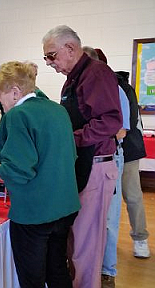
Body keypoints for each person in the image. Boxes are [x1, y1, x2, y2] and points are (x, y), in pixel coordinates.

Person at [0, 61, 80, 288]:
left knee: (32, 279)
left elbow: (17, 173)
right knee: (57, 270)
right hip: (65, 206)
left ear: (15, 91)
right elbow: (63, 154)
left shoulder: (18, 115)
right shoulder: (57, 109)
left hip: (35, 212)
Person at [42, 25, 122, 288]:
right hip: (82, 165)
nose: (49, 63)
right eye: (46, 58)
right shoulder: (74, 78)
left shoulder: (96, 74)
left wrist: (69, 139)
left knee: (85, 247)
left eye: (51, 56)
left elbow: (110, 121)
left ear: (70, 48)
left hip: (96, 166)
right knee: (75, 239)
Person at [83, 46, 130, 288]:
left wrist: (84, 136)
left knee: (109, 219)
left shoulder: (115, 89)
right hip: (91, 160)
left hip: (108, 160)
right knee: (91, 222)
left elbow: (120, 131)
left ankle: (107, 272)